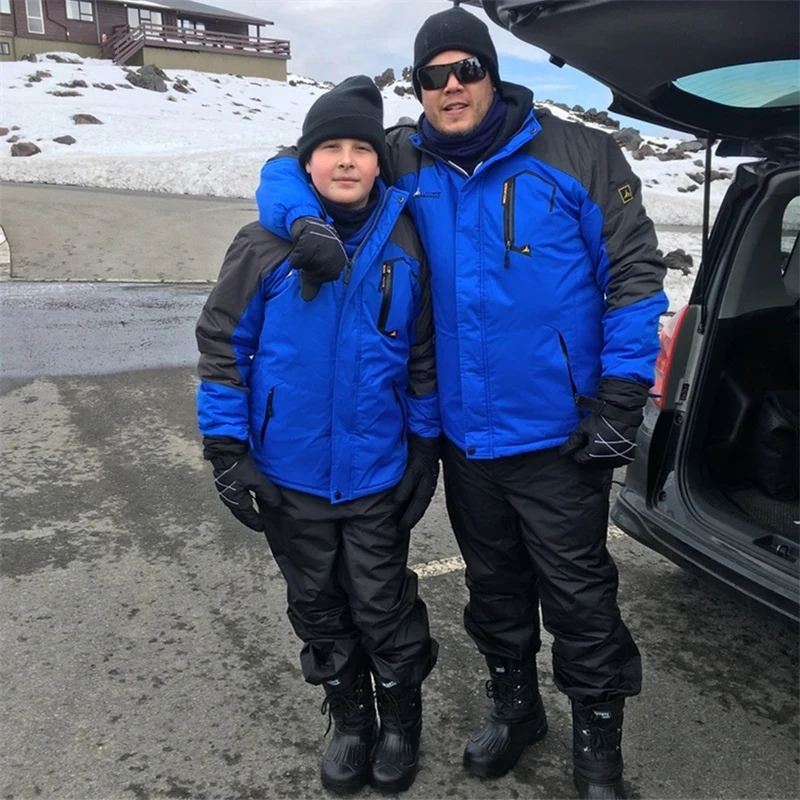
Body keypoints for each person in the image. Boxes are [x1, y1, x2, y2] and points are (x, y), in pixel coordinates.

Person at [254, 8, 669, 799]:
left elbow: (635, 276)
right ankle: (517, 710)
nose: (451, 87)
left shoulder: (578, 154)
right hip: (465, 439)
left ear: (492, 75)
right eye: (432, 76)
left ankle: (598, 752)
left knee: (580, 597)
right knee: (495, 588)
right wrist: (303, 219)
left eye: (466, 70)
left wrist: (621, 395)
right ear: (418, 88)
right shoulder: (402, 158)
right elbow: (290, 165)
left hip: (562, 434)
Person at [196, 75, 441, 795]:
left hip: (375, 473)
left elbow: (422, 353)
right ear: (306, 162)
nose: (346, 161)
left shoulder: (405, 241)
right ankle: (353, 720)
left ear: (377, 163)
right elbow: (224, 345)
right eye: (330, 148)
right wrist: (227, 448)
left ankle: (400, 721)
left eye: (360, 149)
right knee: (317, 604)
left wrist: (424, 446)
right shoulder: (264, 244)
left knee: (383, 605)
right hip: (290, 472)